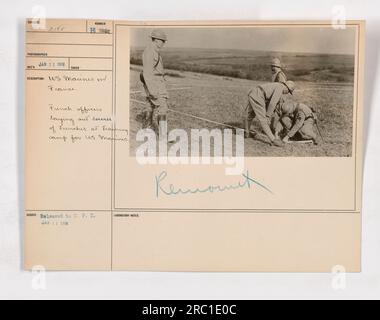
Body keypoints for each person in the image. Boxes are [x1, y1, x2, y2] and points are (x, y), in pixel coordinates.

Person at [244, 81, 295, 147]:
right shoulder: (280, 87)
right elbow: (272, 103)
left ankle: (246, 133)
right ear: (287, 87)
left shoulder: (277, 85)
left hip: (254, 92)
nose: (287, 93)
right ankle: (273, 140)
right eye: (288, 91)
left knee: (250, 116)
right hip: (259, 95)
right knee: (263, 120)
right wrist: (268, 116)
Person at [140, 29, 169, 139]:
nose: (163, 43)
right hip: (155, 84)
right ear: (156, 40)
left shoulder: (153, 51)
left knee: (150, 106)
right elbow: (147, 73)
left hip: (156, 83)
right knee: (163, 108)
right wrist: (152, 90)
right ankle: (163, 136)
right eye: (162, 40)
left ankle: (146, 129)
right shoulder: (149, 52)